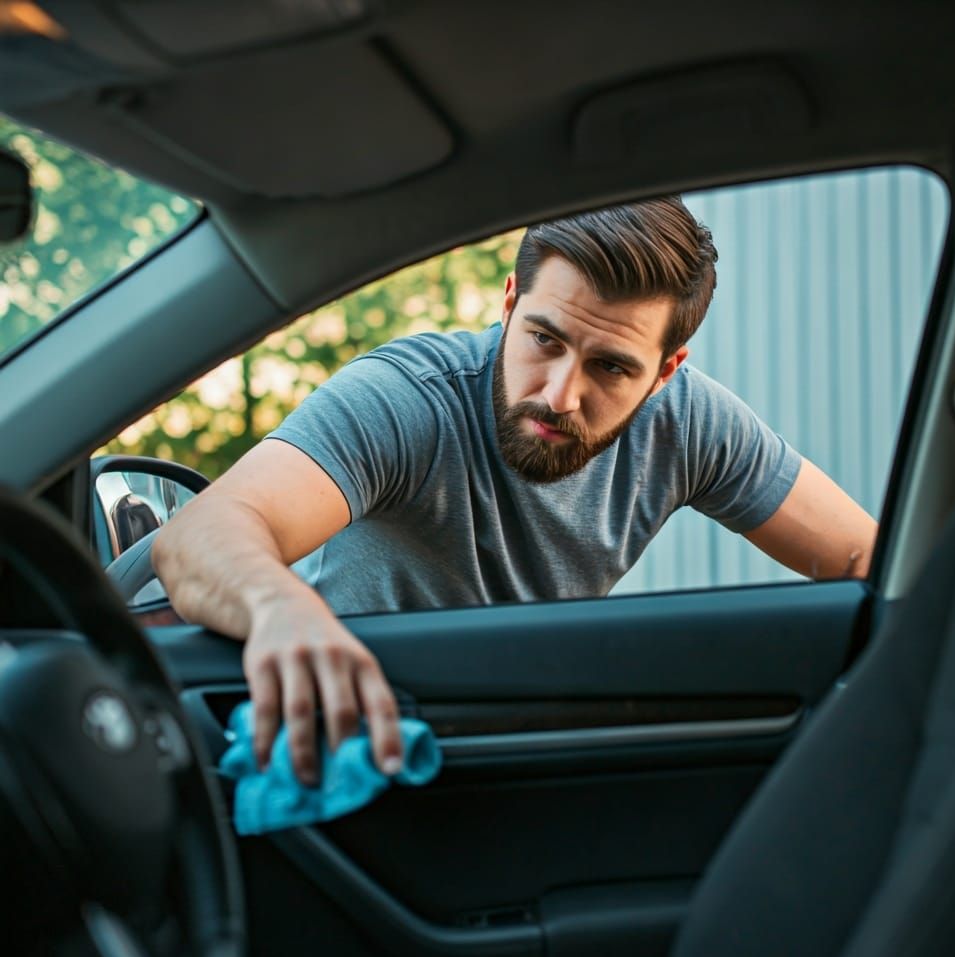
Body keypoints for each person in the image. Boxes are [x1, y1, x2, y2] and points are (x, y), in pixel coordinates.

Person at [153, 196, 876, 786]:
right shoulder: (411, 400)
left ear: (665, 372)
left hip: (493, 755)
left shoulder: (689, 424)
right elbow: (203, 534)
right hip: (321, 746)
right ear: (508, 304)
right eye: (545, 340)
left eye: (612, 368)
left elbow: (865, 560)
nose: (561, 395)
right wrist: (285, 613)